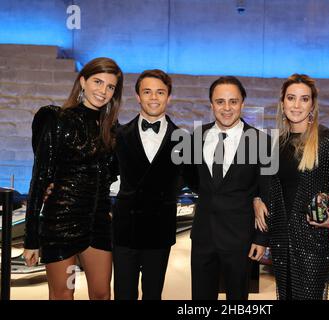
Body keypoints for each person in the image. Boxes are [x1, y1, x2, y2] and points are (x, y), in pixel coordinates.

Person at [23, 57, 124, 300]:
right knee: (64, 294)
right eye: (98, 82)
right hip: (61, 225)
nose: (103, 91)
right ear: (82, 81)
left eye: (110, 87)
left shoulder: (112, 129)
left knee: (101, 294)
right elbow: (39, 179)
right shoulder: (57, 120)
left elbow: (115, 176)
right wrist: (31, 238)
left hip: (98, 224)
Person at [255, 73, 329, 300]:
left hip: (314, 239)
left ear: (312, 104)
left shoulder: (328, 139)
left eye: (304, 99)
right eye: (291, 98)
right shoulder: (275, 143)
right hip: (281, 239)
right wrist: (257, 199)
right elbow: (269, 188)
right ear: (282, 103)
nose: (297, 105)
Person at [188, 76, 271, 300]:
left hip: (240, 238)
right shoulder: (196, 137)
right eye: (220, 101)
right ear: (211, 104)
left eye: (233, 101)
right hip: (203, 237)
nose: (227, 108)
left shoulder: (261, 142)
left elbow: (267, 194)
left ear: (242, 104)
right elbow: (194, 182)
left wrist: (261, 239)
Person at [112, 69, 184, 300]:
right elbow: (105, 176)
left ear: (169, 97)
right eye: (147, 92)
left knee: (153, 295)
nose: (154, 97)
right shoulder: (119, 134)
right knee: (124, 294)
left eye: (160, 92)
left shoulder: (183, 139)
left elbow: (194, 181)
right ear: (138, 96)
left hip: (159, 230)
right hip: (125, 229)